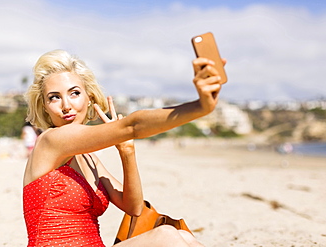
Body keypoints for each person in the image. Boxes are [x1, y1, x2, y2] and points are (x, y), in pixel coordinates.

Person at [23, 49, 226, 247]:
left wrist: (126, 151)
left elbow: (134, 207)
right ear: (44, 107)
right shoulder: (51, 141)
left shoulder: (88, 157)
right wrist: (201, 107)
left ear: (89, 97)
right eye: (54, 97)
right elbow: (132, 125)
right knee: (167, 234)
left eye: (74, 93)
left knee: (184, 236)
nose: (66, 105)